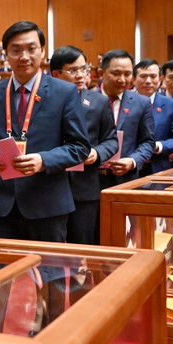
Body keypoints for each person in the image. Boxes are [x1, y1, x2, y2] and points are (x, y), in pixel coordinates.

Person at [0, 21, 90, 242]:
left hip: (48, 207)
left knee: (49, 265)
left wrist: (43, 160)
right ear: (6, 54)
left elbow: (80, 147)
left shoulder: (65, 92)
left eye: (31, 49)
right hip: (0, 208)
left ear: (42, 51)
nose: (24, 57)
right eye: (16, 50)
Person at [50, 45, 117, 245]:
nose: (80, 75)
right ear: (55, 74)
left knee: (84, 246)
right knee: (51, 248)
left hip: (84, 187)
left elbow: (111, 139)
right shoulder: (44, 102)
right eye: (72, 70)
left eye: (83, 69)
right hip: (49, 186)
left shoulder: (99, 102)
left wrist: (97, 153)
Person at [97, 49, 155, 188]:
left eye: (127, 74)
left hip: (125, 180)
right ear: (101, 73)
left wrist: (132, 161)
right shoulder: (86, 101)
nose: (122, 80)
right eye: (116, 73)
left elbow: (147, 142)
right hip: (90, 181)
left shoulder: (142, 103)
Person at [133, 59, 173, 175]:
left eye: (153, 76)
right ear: (133, 79)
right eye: (143, 76)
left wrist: (158, 146)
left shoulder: (171, 105)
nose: (148, 81)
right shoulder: (124, 103)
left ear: (160, 79)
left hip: (158, 168)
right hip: (129, 168)